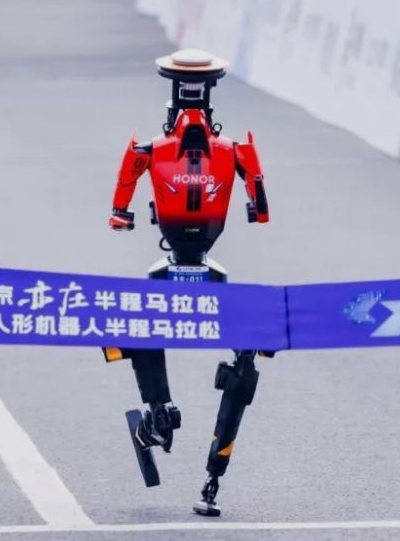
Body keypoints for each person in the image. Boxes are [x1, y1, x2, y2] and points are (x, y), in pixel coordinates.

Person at [105, 49, 271, 518]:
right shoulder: (235, 150)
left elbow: (121, 205)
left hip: (169, 272)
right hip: (212, 275)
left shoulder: (148, 150)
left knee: (137, 328)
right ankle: (210, 477)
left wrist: (123, 215)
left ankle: (156, 414)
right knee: (246, 354)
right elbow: (259, 205)